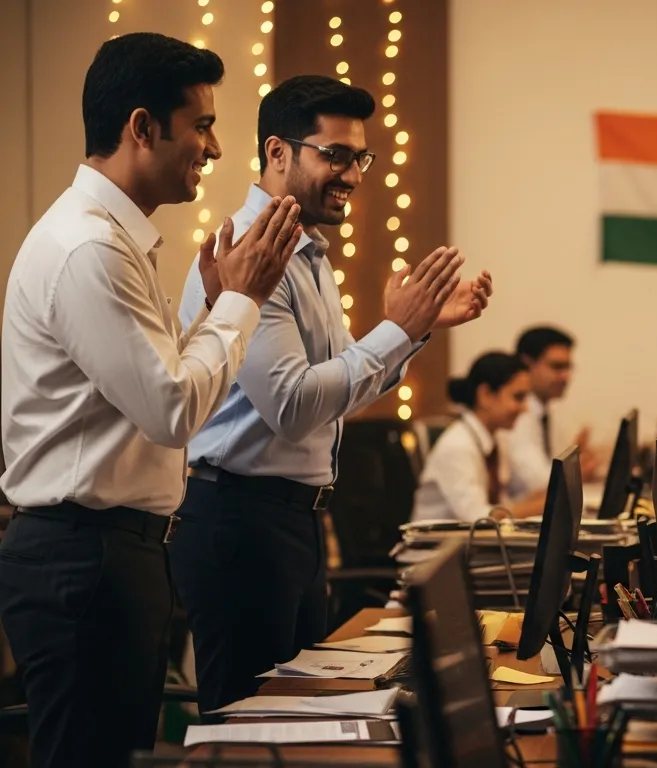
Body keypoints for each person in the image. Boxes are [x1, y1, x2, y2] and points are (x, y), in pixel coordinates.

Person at [0, 34, 301, 767]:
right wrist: (243, 304)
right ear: (142, 127)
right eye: (200, 125)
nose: (215, 147)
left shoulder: (116, 241)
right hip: (83, 555)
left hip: (111, 552)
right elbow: (172, 410)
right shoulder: (89, 249)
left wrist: (214, 313)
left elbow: (160, 388)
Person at [168, 75, 492, 716]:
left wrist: (413, 330)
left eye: (359, 157)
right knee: (250, 733)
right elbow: (292, 406)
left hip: (292, 521)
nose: (352, 173)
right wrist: (398, 330)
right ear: (278, 152)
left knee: (298, 718)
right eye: (335, 155)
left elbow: (336, 391)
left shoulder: (308, 253)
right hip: (239, 521)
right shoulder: (251, 251)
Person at [414, 352, 545, 522]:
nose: (525, 408)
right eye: (518, 397)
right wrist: (542, 505)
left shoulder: (498, 440)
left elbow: (503, 504)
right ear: (485, 395)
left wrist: (548, 496)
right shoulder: (457, 446)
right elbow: (479, 519)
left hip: (471, 544)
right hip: (435, 547)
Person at [504, 325, 599, 498]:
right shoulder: (516, 413)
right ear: (527, 364)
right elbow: (542, 484)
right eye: (557, 367)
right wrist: (578, 471)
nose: (566, 377)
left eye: (568, 368)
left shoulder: (546, 413)